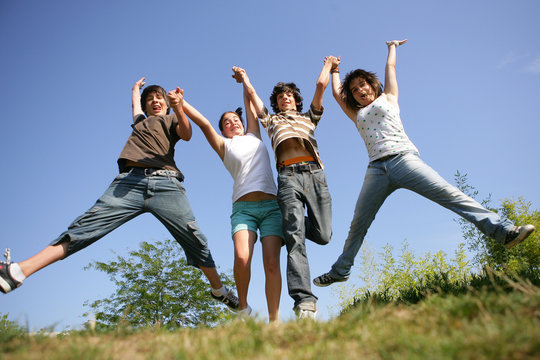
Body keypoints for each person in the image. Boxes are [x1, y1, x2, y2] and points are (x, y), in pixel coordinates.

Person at [0, 78, 239, 312]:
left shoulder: (171, 118)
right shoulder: (139, 122)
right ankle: (18, 272)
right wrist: (135, 90)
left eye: (159, 98)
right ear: (145, 106)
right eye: (149, 99)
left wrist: (178, 106)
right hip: (129, 183)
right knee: (86, 226)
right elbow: (135, 106)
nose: (154, 101)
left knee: (194, 237)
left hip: (166, 183)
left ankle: (218, 290)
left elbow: (186, 134)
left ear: (166, 104)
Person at [313, 40, 536, 287]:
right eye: (354, 90)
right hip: (376, 169)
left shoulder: (389, 97)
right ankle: (341, 270)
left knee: (450, 195)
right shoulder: (357, 114)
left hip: (404, 160)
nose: (359, 90)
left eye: (362, 85)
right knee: (358, 222)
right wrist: (334, 69)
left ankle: (504, 232)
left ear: (372, 85)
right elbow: (336, 93)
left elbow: (391, 68)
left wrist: (392, 47)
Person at [234, 59, 336, 319]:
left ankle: (287, 224)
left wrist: (329, 65)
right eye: (280, 97)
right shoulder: (271, 121)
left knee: (324, 235)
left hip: (315, 174)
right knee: (295, 241)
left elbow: (320, 85)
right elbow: (255, 100)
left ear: (296, 100)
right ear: (276, 103)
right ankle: (305, 302)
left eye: (289, 95)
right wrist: (245, 79)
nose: (285, 99)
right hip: (287, 178)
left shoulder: (309, 118)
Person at [181, 74, 283, 321]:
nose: (233, 123)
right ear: (223, 130)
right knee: (241, 257)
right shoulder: (223, 146)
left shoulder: (255, 135)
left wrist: (245, 80)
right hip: (243, 209)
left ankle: (274, 321)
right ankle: (244, 308)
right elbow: (204, 124)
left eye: (236, 119)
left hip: (271, 206)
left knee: (271, 263)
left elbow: (250, 103)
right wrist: (181, 103)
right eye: (227, 122)